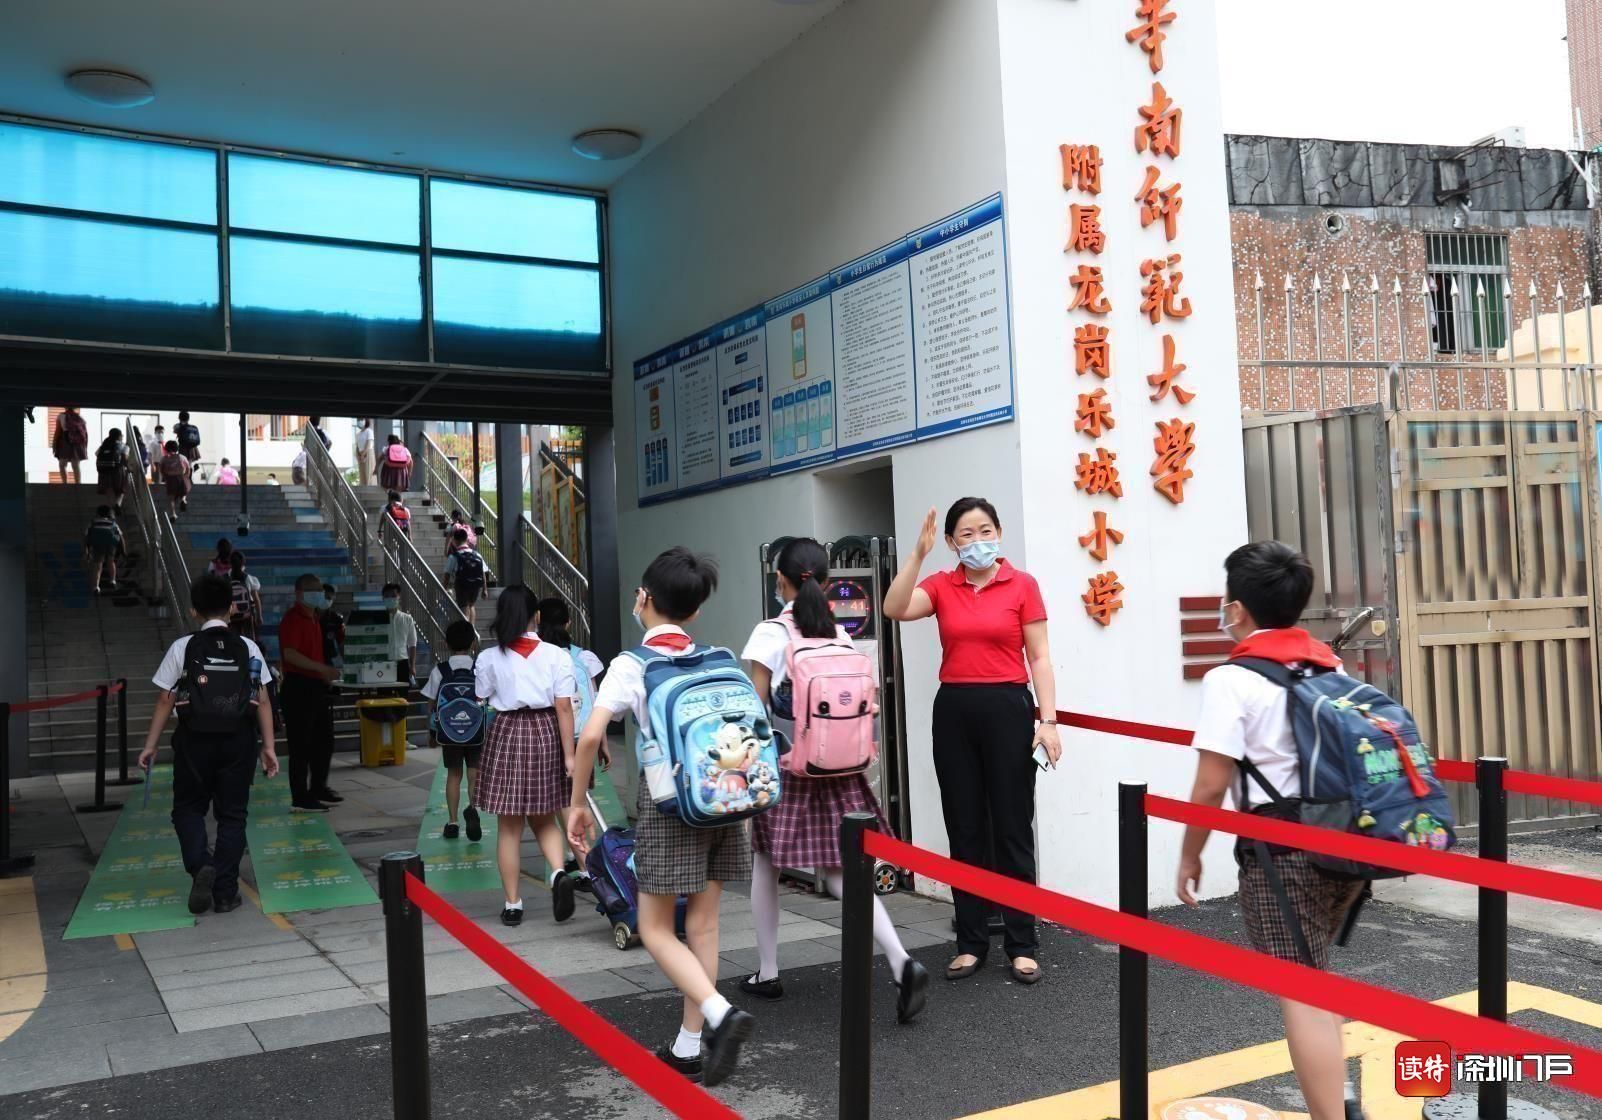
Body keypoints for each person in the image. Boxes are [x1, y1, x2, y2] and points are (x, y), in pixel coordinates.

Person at [1177, 542, 1365, 1120]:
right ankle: (1341, 1098)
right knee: (1316, 976)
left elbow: (1211, 785)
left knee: (1301, 989)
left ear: (1236, 609)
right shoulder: (1328, 665)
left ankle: (1333, 1114)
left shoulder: (1231, 679)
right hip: (1347, 843)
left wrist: (1189, 855)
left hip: (1283, 851)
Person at [567, 547, 756, 1087]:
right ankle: (689, 1044)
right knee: (704, 924)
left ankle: (719, 1014)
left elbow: (590, 736)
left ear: (642, 598)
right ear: (694, 612)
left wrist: (578, 802)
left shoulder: (633, 665)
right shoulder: (719, 657)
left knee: (653, 928)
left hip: (670, 807)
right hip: (724, 797)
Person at [738, 538, 930, 1020]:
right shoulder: (839, 634)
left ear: (779, 580)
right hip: (841, 768)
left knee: (766, 862)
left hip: (788, 766)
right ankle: (901, 960)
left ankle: (768, 971)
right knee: (844, 871)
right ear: (826, 584)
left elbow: (755, 708)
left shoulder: (768, 633)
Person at [883, 498, 1060, 985]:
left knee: (1012, 827)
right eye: (966, 533)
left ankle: (1022, 945)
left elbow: (1040, 657)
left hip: (1009, 707)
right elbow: (894, 608)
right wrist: (917, 555)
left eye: (985, 530)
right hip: (955, 711)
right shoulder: (942, 585)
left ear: (999, 533)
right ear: (951, 542)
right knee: (964, 827)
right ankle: (971, 942)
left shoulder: (1022, 585)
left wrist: (1048, 720)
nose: (978, 540)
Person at [138, 574, 277, 916]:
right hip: (239, 740)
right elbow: (263, 699)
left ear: (193, 611)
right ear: (231, 608)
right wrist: (269, 747)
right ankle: (226, 894)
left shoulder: (183, 647)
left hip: (193, 740)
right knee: (232, 816)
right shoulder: (248, 647)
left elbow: (165, 699)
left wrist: (150, 745)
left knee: (187, 809)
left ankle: (201, 864)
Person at [472, 586, 579, 925]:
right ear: (537, 615)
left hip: (507, 731)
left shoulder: (490, 657)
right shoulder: (557, 655)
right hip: (547, 731)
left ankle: (513, 904)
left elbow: (481, 695)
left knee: (508, 827)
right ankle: (559, 872)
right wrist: (570, 755)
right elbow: (564, 707)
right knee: (545, 818)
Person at [537, 596, 605, 886]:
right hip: (584, 736)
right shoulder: (584, 657)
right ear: (568, 623)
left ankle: (582, 864)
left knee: (561, 803)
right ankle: (582, 860)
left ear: (538, 621)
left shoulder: (540, 657)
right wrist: (601, 741)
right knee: (577, 799)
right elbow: (597, 700)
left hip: (551, 735)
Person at [278, 573, 342, 812]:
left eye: (319, 589)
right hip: (298, 687)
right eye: (312, 590)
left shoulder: (314, 618)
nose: (318, 594)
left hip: (316, 686)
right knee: (301, 745)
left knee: (324, 741)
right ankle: (300, 796)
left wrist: (323, 673)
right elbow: (290, 654)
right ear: (299, 593)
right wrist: (321, 668)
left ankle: (318, 787)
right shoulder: (293, 619)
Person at [421, 619, 483, 842]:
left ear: (446, 643)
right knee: (474, 773)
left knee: (454, 775)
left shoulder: (440, 671)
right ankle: (473, 808)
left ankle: (453, 822)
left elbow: (431, 704)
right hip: (476, 731)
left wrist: (431, 732)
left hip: (449, 733)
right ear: (473, 643)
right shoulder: (479, 669)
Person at [444, 527, 487, 625]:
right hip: (476, 585)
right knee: (471, 605)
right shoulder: (477, 555)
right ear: (467, 539)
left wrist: (444, 588)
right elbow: (483, 572)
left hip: (462, 585)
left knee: (463, 607)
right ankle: (472, 628)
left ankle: (466, 629)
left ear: (454, 541)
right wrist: (485, 589)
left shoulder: (454, 556)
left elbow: (447, 574)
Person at [382, 582, 418, 685]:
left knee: (402, 693)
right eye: (387, 596)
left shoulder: (407, 619)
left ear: (399, 597)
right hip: (383, 663)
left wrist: (412, 665)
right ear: (382, 599)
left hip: (402, 662)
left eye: (393, 595)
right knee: (384, 692)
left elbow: (412, 644)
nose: (390, 598)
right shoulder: (377, 618)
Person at [83, 504, 124, 595]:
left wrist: (86, 550)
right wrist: (123, 550)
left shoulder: (93, 522)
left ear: (98, 513)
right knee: (111, 562)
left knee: (98, 566)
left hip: (97, 545)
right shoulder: (113, 523)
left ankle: (96, 587)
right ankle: (113, 581)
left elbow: (86, 536)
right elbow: (121, 536)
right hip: (110, 545)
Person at [228, 551, 262, 640]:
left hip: (231, 616)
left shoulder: (226, 579)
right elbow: (256, 599)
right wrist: (259, 616)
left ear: (230, 563)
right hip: (247, 615)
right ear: (243, 563)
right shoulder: (249, 579)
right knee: (249, 640)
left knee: (233, 640)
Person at [94, 428, 128, 512]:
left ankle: (112, 507)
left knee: (108, 489)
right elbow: (124, 459)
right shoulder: (123, 446)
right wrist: (129, 468)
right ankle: (117, 504)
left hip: (104, 471)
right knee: (120, 490)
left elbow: (96, 454)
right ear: (119, 436)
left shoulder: (104, 445)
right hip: (118, 470)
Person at [52, 406, 88, 485]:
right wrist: (84, 447)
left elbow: (57, 431)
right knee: (75, 465)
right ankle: (78, 484)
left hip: (66, 441)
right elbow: (85, 434)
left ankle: (65, 484)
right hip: (78, 444)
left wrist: (54, 444)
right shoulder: (80, 418)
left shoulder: (61, 416)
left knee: (62, 464)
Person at [159, 440, 192, 517]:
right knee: (184, 492)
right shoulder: (182, 457)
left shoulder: (164, 458)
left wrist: (165, 477)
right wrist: (186, 476)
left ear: (166, 449)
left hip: (170, 479)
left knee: (172, 498)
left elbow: (161, 469)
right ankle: (183, 500)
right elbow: (188, 468)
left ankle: (173, 514)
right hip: (181, 477)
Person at [320, 584, 346, 667]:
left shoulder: (336, 619)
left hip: (329, 661)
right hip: (311, 660)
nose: (326, 601)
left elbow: (341, 642)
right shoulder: (309, 617)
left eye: (329, 598)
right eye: (324, 598)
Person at [354, 419, 375, 485]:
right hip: (360, 455)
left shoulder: (369, 431)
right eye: (358, 420)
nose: (359, 421)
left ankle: (369, 490)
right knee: (362, 476)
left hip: (368, 453)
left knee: (368, 475)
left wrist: (363, 454)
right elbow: (357, 446)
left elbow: (369, 444)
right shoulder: (358, 434)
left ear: (366, 421)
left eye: (361, 419)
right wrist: (358, 455)